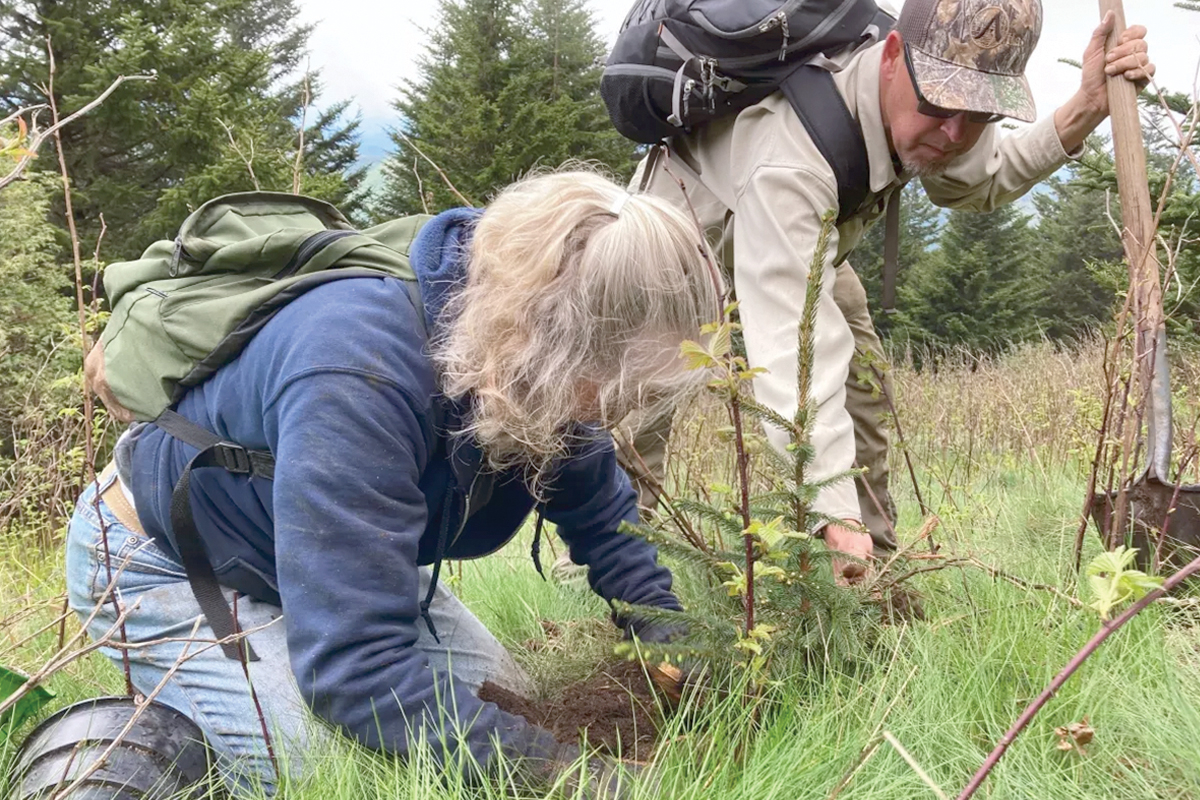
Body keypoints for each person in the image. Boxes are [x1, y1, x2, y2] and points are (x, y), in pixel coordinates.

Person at [65, 169, 720, 796]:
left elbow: (603, 521)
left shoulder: (530, 356)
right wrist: (580, 782)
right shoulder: (356, 367)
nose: (612, 410)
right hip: (171, 558)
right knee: (328, 775)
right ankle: (149, 748)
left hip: (323, 554)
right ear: (547, 340)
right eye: (609, 383)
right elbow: (359, 675)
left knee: (507, 705)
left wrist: (673, 640)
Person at [627, 0, 1156, 578]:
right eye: (941, 104)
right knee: (639, 409)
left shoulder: (941, 105)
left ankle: (867, 573)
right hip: (680, 244)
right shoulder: (793, 161)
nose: (956, 133)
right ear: (894, 57)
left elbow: (976, 180)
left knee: (862, 385)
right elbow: (790, 356)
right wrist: (831, 505)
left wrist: (1087, 107)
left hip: (812, 237)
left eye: (979, 112)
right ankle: (614, 582)